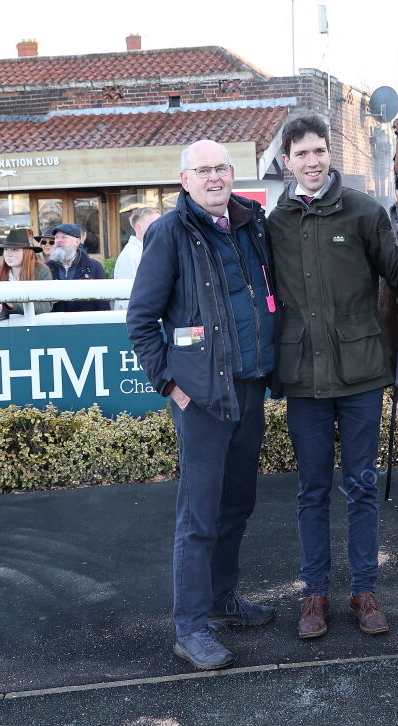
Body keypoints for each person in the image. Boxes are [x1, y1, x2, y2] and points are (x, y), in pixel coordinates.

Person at [266, 116, 398, 641]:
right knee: (312, 490)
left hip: (362, 375)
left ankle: (365, 591)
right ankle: (314, 595)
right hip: (304, 379)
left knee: (362, 486)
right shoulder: (273, 224)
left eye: (320, 150)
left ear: (329, 154)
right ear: (287, 162)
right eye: (302, 154)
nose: (313, 161)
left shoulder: (363, 211)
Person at [126, 139, 277, 671]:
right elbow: (141, 322)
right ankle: (190, 628)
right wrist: (172, 386)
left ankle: (222, 600)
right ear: (184, 181)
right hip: (202, 399)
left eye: (220, 168)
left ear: (232, 174)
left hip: (250, 387)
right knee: (199, 516)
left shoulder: (252, 225)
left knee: (237, 504)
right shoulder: (170, 233)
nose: (214, 177)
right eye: (202, 170)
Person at [0, 228, 54, 319]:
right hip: (3, 328)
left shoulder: (42, 271)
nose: (9, 254)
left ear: (27, 253)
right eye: (6, 249)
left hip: (33, 327)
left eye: (15, 250)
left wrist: (14, 305)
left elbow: (46, 305)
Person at [47, 223, 111, 312]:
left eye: (64, 237)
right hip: (55, 323)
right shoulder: (47, 267)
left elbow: (102, 303)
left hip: (85, 322)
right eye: (56, 237)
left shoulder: (94, 267)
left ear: (77, 242)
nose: (59, 241)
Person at [114, 207, 161, 310]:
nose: (161, 228)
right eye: (155, 225)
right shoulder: (130, 256)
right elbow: (127, 300)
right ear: (138, 228)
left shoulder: (148, 251)